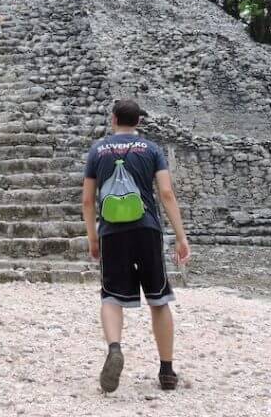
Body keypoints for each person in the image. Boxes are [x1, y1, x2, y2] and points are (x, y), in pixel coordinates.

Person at [81, 99, 190, 394]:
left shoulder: (97, 151)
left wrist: (93, 238)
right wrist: (181, 237)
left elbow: (88, 201)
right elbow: (166, 193)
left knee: (111, 298)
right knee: (159, 299)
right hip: (147, 229)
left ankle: (115, 348)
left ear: (113, 119)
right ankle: (166, 371)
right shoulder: (152, 150)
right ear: (138, 122)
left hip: (112, 233)